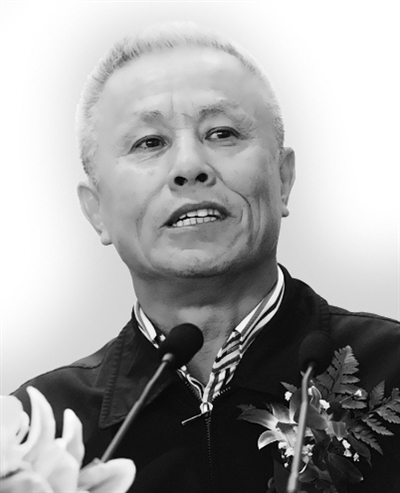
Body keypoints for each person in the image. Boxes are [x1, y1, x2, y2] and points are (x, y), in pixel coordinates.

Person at [12, 22, 400, 492]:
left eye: (221, 133)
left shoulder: (392, 368)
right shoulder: (37, 437)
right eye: (149, 142)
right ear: (97, 211)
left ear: (283, 179)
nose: (190, 166)